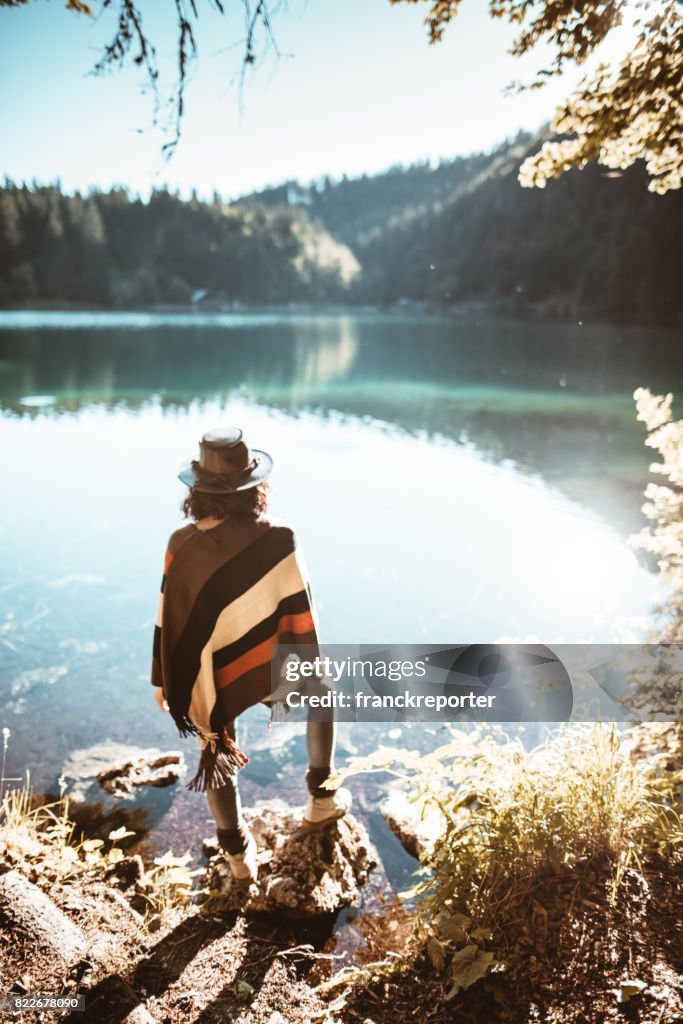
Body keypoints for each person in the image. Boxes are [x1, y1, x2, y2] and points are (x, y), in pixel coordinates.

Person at [150, 427, 351, 884]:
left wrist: (165, 678)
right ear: (254, 486)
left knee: (215, 739)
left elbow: (170, 619)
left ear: (197, 490)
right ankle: (321, 799)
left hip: (207, 669)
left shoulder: (180, 543)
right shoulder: (279, 538)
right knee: (322, 695)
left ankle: (238, 856)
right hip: (267, 660)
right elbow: (299, 615)